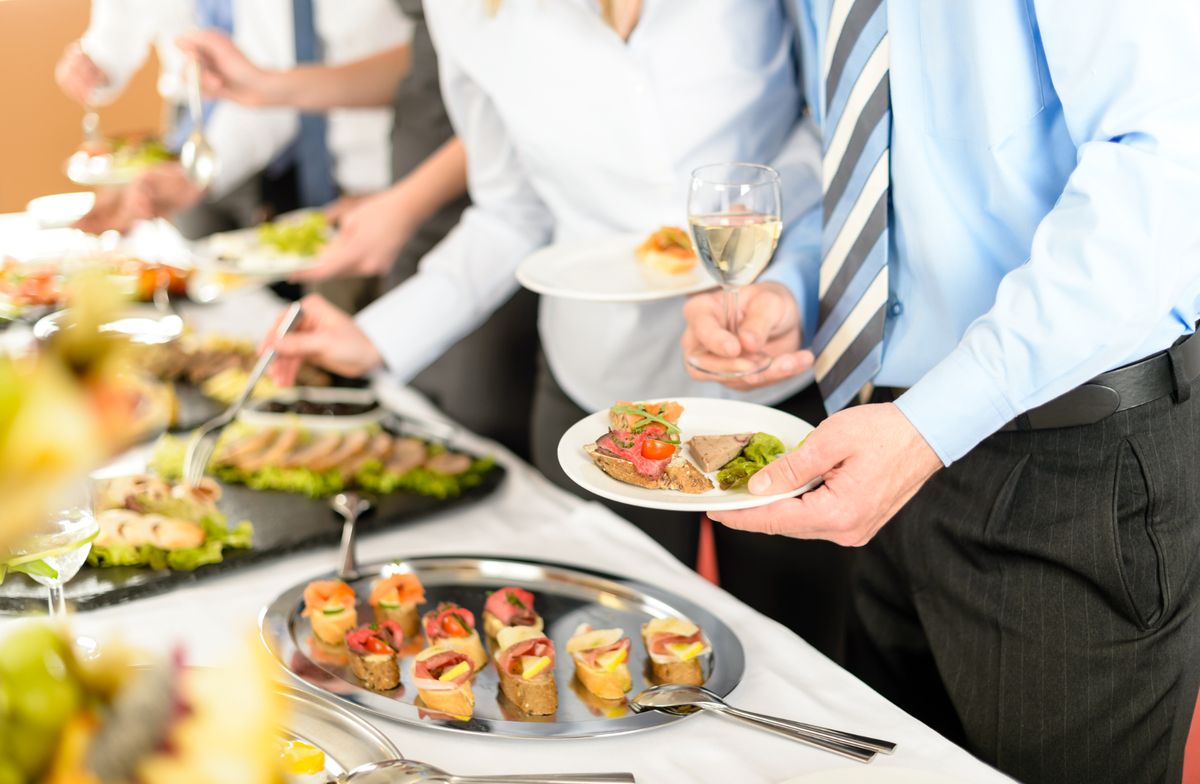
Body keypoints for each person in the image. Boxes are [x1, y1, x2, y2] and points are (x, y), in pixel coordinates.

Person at [681, 2, 1200, 784]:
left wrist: (930, 425)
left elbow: (1164, 170)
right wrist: (793, 284)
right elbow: (856, 148)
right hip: (887, 441)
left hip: (1069, 468)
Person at [260, 0, 855, 658]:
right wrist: (377, 335)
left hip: (786, 363)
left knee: (807, 662)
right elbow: (509, 212)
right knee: (607, 666)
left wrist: (780, 250)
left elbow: (832, 128)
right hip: (601, 390)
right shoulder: (464, 14)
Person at [177, 0, 540, 459]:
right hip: (418, 219)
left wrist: (405, 202)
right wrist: (378, 337)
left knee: (477, 426)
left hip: (450, 213)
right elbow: (433, 71)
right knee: (415, 420)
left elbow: (520, 123)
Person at [59, 0, 412, 238]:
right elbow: (272, 85)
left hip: (389, 172)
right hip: (210, 123)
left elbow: (276, 81)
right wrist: (192, 175)